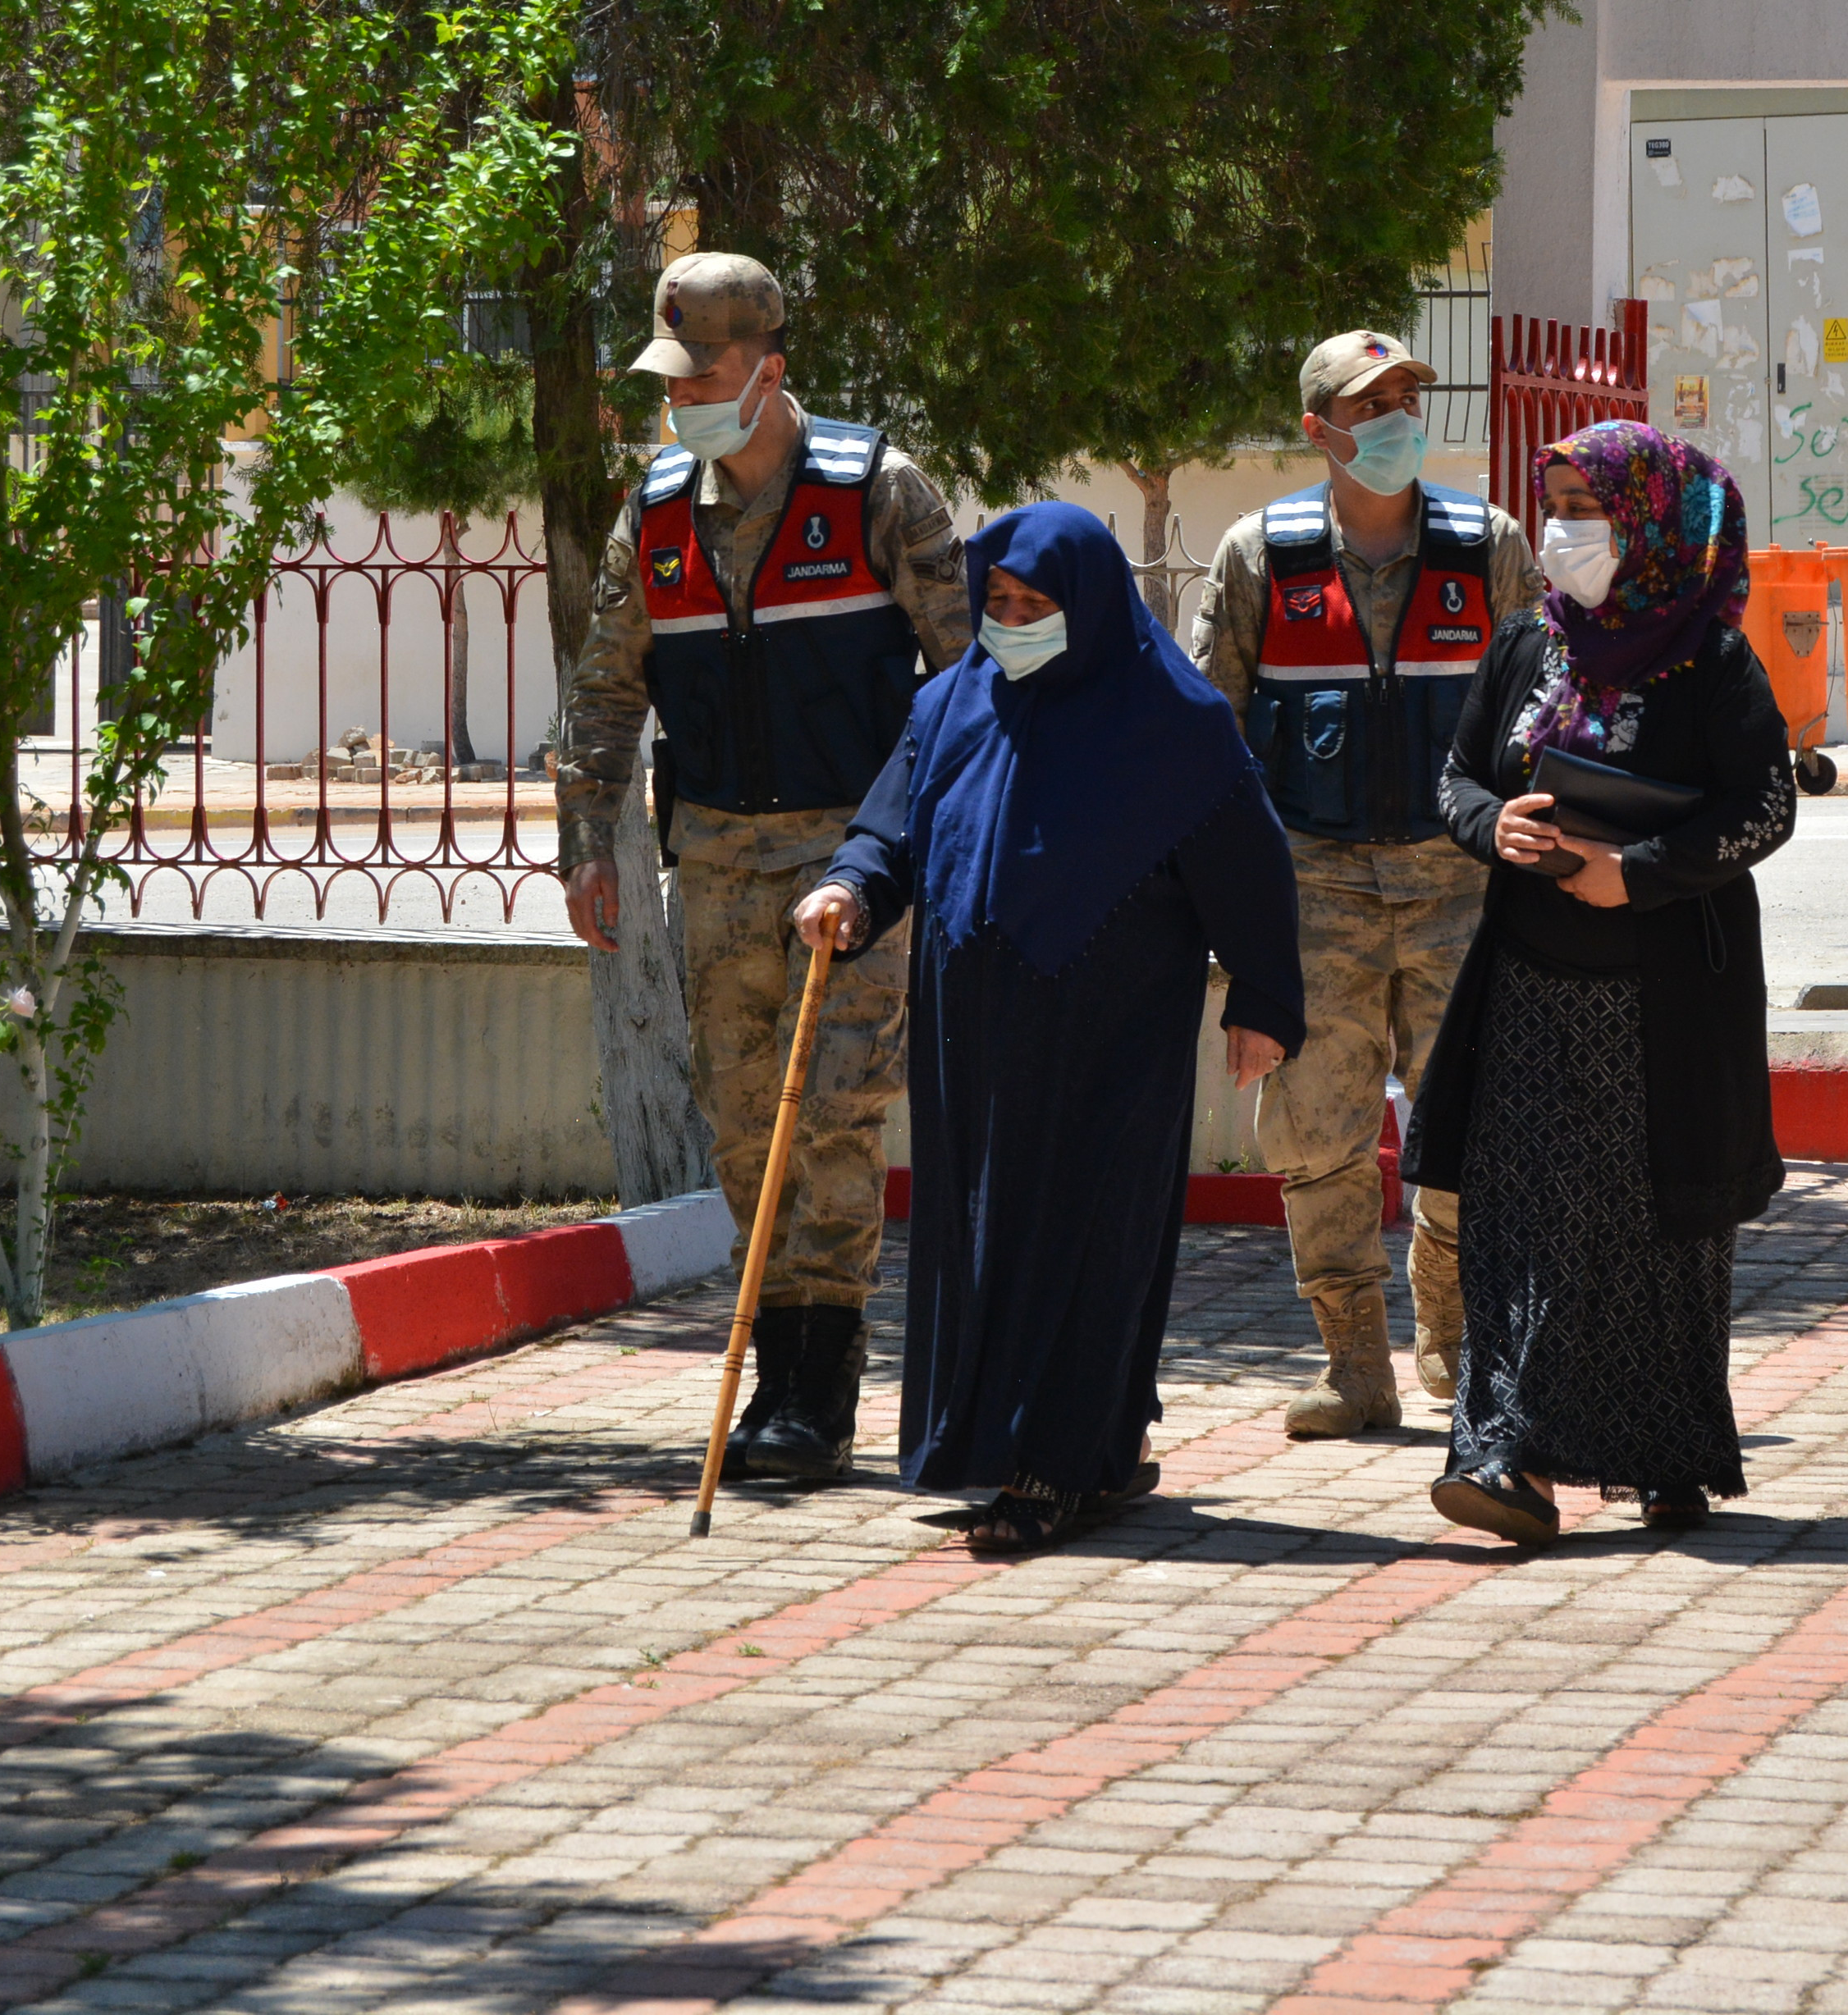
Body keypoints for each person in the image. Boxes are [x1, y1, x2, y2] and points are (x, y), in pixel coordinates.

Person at [794, 505, 1307, 1554]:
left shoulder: (1173, 720)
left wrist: (1261, 1003)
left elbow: (1250, 872)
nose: (1013, 621)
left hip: (1111, 1026)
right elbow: (887, 830)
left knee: (1091, 1235)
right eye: (1000, 603)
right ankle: (1036, 1449)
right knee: (979, 1235)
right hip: (969, 1029)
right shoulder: (949, 705)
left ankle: (1053, 1461)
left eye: (1037, 605)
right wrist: (847, 889)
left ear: (1092, 606)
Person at [555, 251, 971, 1488]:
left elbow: (967, 681)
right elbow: (604, 689)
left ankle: (815, 1391)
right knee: (746, 1130)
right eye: (669, 378)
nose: (681, 400)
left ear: (772, 368)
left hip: (853, 857)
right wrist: (589, 841)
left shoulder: (878, 492)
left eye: (706, 374)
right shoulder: (660, 511)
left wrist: (931, 840)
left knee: (832, 1112)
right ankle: (779, 1357)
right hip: (718, 861)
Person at [1405, 423, 1792, 1544]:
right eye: (1557, 503)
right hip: (1529, 993)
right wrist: (1497, 828)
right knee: (1519, 1226)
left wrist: (1646, 875)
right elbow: (1457, 778)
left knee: (1659, 1233)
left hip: (1666, 1001)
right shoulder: (1527, 647)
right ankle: (1503, 1461)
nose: (1566, 529)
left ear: (1653, 524)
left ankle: (1669, 1461)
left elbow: (1765, 806)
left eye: (1591, 506)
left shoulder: (1711, 662)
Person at [1189, 331, 1543, 1437]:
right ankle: (1352, 1362)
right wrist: (1232, 926)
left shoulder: (1488, 546)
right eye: (1370, 401)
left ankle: (1451, 1320)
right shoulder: (1259, 555)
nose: (1396, 415)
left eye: (1407, 396)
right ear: (1318, 428)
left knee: (1473, 1127)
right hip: (1315, 892)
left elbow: (1540, 715)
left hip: (1460, 890)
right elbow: (1216, 745)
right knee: (1314, 1133)